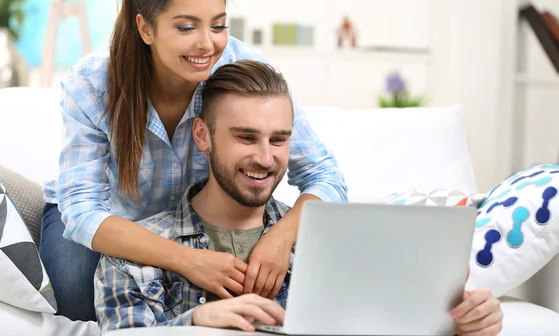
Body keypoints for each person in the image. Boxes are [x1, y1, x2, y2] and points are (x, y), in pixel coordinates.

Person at [39, 0, 347, 321]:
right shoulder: (92, 84)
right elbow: (83, 212)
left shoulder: (242, 69)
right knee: (75, 297)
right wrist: (189, 261)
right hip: (110, 217)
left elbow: (325, 176)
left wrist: (280, 238)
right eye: (187, 27)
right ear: (145, 28)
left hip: (192, 221)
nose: (207, 43)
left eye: (218, 25)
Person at [94, 61, 504, 335]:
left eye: (279, 140)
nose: (265, 158)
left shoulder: (336, 245)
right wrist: (197, 323)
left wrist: (464, 325)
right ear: (202, 136)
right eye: (245, 137)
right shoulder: (133, 252)